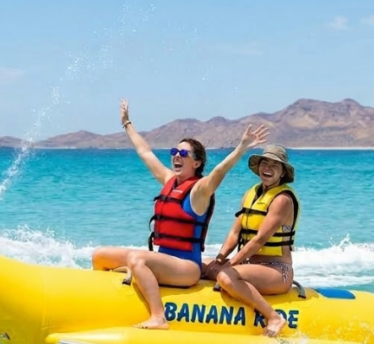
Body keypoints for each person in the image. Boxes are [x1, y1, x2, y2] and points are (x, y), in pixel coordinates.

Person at [92, 99, 269, 330]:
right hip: (165, 258)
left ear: (196, 162)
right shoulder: (168, 181)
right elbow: (145, 152)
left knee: (137, 258)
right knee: (100, 255)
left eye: (183, 153)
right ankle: (118, 295)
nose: (176, 156)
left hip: (186, 267)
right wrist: (127, 124)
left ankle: (159, 317)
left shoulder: (199, 191)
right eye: (174, 151)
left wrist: (241, 148)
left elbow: (219, 171)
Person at [202, 144, 299, 337]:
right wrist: (219, 260)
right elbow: (234, 234)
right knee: (199, 265)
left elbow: (260, 239)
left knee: (225, 276)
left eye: (275, 165)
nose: (267, 168)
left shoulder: (282, 199)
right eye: (265, 163)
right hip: (249, 266)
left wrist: (229, 265)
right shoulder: (251, 194)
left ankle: (273, 317)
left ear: (282, 173)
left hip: (278, 271)